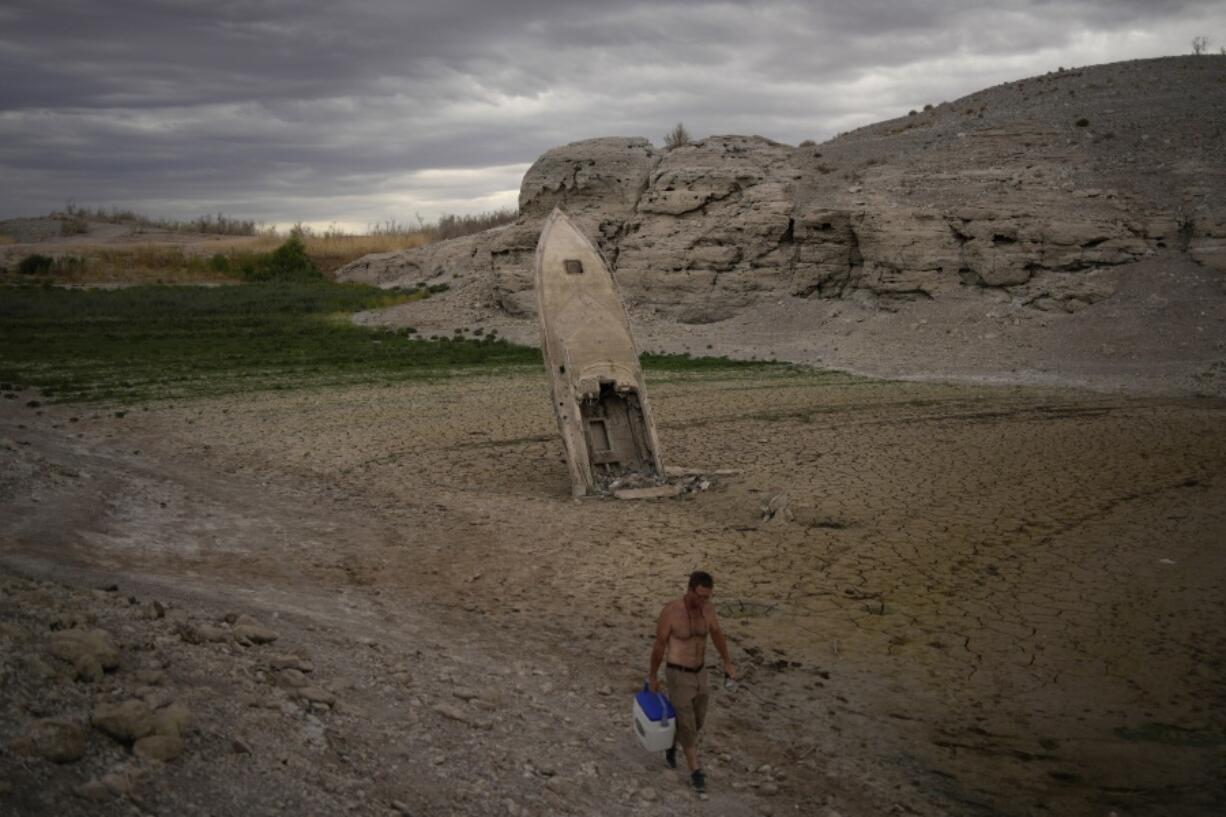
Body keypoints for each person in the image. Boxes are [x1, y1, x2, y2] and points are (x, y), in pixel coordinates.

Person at [647, 570, 735, 793]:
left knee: (697, 720)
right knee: (687, 722)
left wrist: (727, 662)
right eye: (701, 596)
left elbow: (716, 634)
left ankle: (671, 744)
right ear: (689, 590)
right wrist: (653, 676)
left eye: (708, 597)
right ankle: (696, 772)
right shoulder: (672, 612)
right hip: (678, 672)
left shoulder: (708, 610)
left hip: (700, 672)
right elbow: (659, 645)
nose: (704, 601)